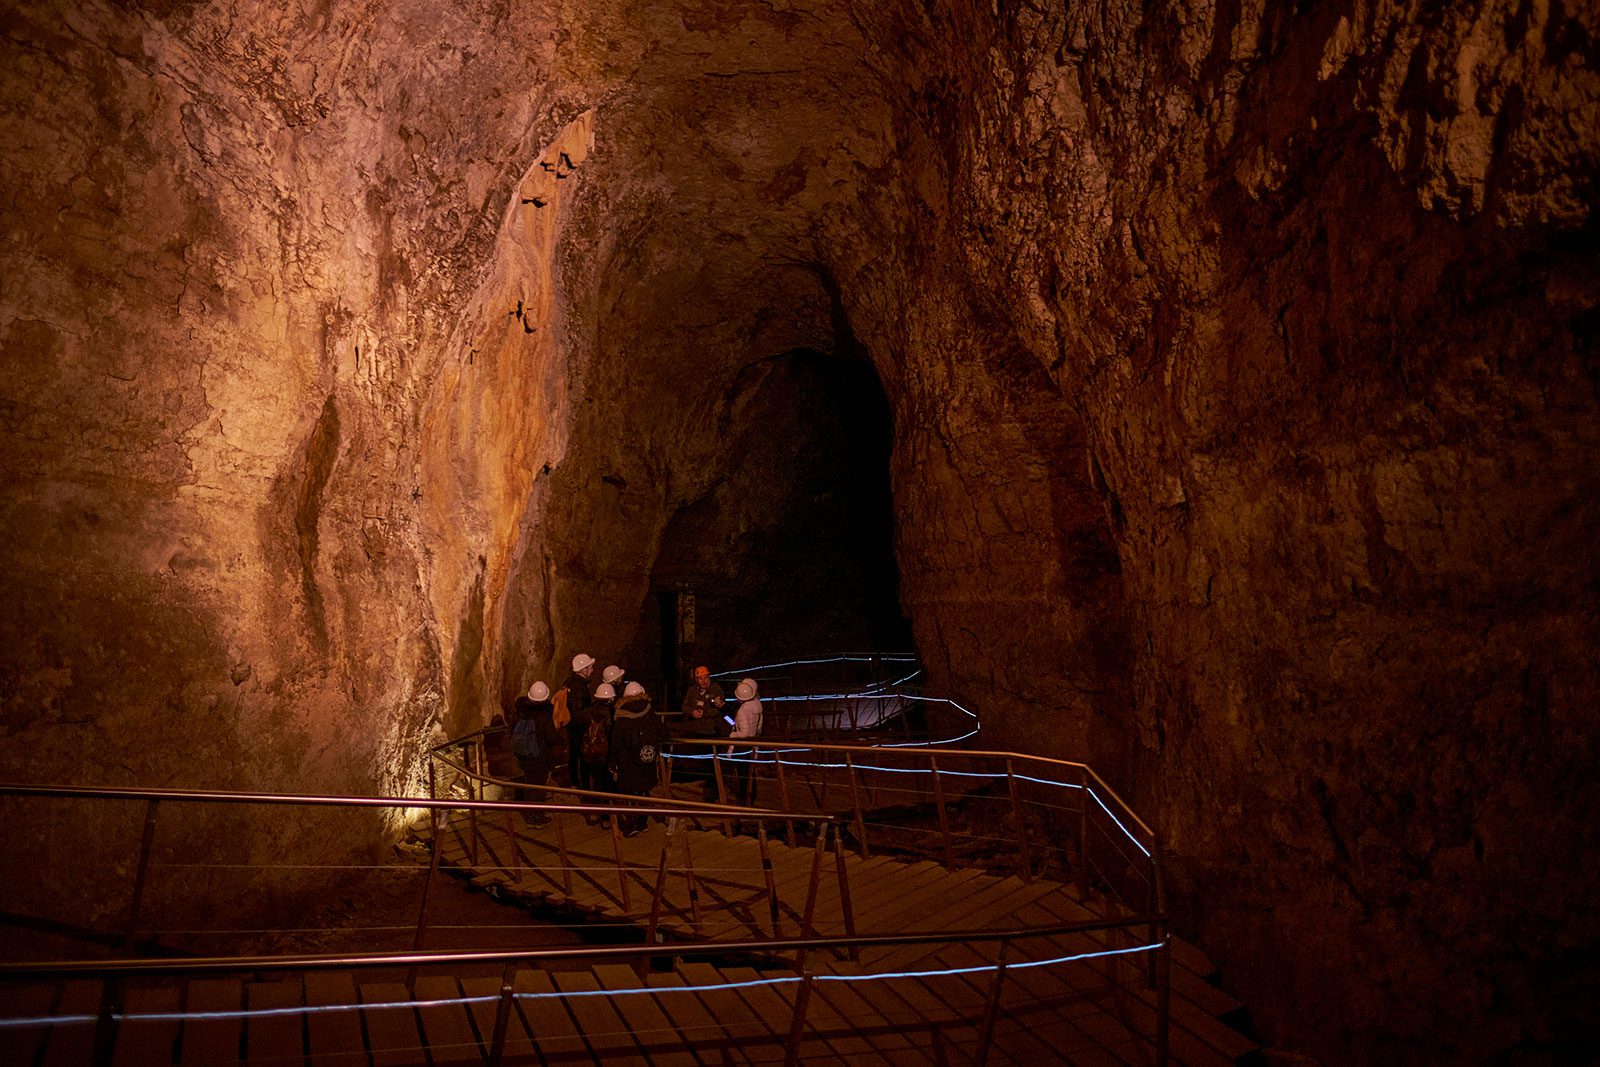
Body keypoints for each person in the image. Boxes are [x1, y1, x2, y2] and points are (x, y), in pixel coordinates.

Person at [608, 681, 663, 836]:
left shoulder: (622, 716)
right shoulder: (649, 711)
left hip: (628, 762)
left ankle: (630, 825)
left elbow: (616, 742)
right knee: (644, 791)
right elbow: (662, 733)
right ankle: (643, 822)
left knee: (629, 794)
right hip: (647, 760)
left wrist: (612, 763)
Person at [510, 681, 556, 827]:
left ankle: (530, 814)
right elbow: (551, 737)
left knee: (529, 785)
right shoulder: (544, 715)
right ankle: (536, 816)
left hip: (525, 756)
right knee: (539, 787)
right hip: (540, 757)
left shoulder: (521, 712)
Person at [679, 665, 724, 801]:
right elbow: (684, 706)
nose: (703, 681)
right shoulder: (692, 691)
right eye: (700, 678)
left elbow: (721, 708)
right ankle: (705, 786)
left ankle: (712, 793)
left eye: (705, 677)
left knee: (713, 764)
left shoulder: (716, 689)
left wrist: (705, 713)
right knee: (703, 763)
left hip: (712, 731)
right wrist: (692, 712)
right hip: (698, 731)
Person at [578, 681, 617, 807]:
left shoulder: (587, 712)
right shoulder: (613, 715)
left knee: (594, 781)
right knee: (606, 783)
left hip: (590, 754)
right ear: (611, 698)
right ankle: (606, 816)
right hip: (605, 755)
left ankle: (594, 810)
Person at [727, 676, 763, 806]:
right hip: (752, 745)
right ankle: (750, 796)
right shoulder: (757, 707)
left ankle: (744, 799)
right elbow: (757, 728)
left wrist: (733, 734)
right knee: (749, 772)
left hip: (742, 746)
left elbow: (744, 732)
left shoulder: (743, 711)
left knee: (742, 773)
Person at [562, 653, 596, 790]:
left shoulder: (570, 682)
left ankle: (575, 783)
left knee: (574, 755)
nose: (593, 670)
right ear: (584, 670)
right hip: (578, 729)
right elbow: (578, 713)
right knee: (581, 758)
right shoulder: (578, 687)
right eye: (591, 667)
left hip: (572, 728)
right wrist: (592, 714)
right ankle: (583, 788)